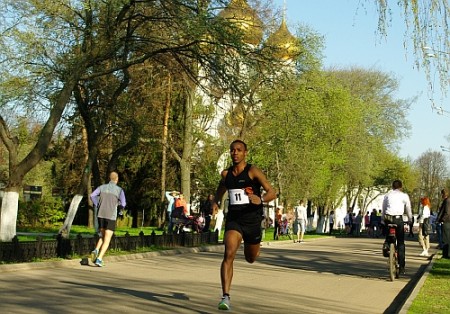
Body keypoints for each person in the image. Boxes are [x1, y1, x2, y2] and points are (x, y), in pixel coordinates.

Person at [212, 140, 276, 311]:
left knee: (250, 258)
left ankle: (255, 244)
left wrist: (260, 199)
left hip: (252, 221)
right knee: (229, 253)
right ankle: (225, 296)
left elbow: (272, 192)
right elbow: (221, 188)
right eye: (232, 150)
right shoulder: (226, 175)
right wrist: (215, 201)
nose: (235, 153)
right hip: (234, 220)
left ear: (245, 153)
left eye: (239, 150)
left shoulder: (253, 171)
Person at [90, 171, 126, 267]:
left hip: (101, 215)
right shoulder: (119, 190)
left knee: (102, 235)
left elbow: (92, 195)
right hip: (111, 216)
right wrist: (120, 211)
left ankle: (96, 249)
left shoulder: (102, 187)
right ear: (117, 179)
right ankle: (99, 259)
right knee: (107, 239)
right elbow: (123, 203)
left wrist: (97, 203)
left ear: (110, 178)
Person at [381, 179, 412, 275]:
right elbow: (408, 209)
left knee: (388, 232)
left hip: (388, 218)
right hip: (398, 219)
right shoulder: (404, 196)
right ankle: (402, 266)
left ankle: (386, 244)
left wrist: (382, 220)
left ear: (392, 187)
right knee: (401, 242)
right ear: (401, 187)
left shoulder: (387, 195)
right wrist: (410, 220)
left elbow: (384, 208)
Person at [437, 188, 450, 259]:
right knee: (446, 238)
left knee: (446, 239)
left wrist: (442, 220)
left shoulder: (447, 201)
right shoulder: (447, 201)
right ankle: (446, 254)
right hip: (447, 221)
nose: (441, 195)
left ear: (444, 194)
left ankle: (446, 254)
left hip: (446, 222)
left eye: (442, 194)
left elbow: (447, 212)